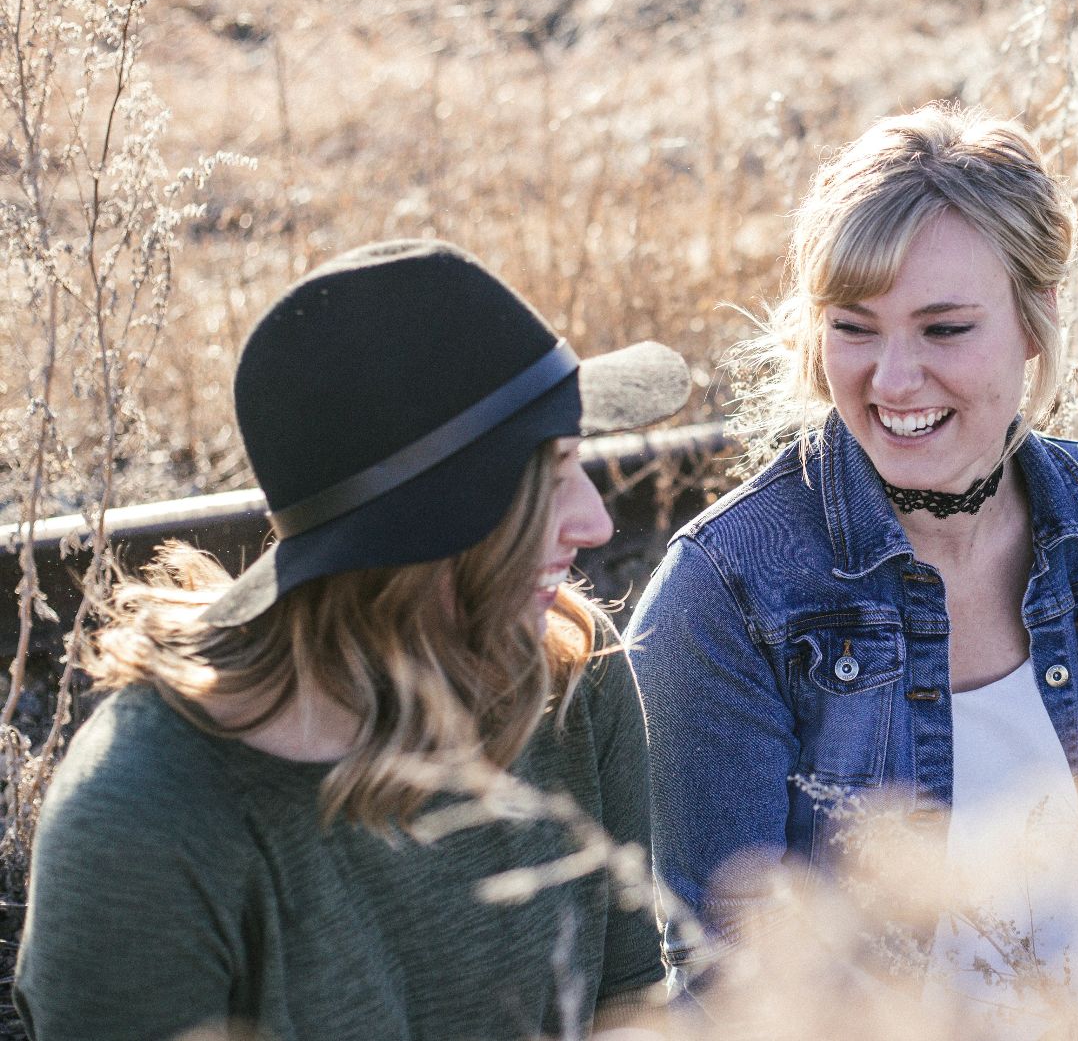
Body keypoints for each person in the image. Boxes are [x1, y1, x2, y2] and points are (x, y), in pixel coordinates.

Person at [14, 240, 690, 1040]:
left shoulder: (571, 672)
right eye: (552, 476)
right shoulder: (145, 822)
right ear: (423, 528)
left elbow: (631, 1013)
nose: (598, 522)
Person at [626, 105, 1078, 1033]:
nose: (892, 380)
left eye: (944, 329)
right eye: (855, 326)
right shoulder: (726, 592)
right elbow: (725, 979)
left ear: (1033, 325)